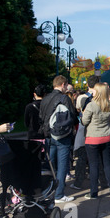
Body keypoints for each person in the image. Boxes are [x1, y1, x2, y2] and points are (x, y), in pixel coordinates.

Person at [39, 75, 78, 203]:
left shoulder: (45, 99)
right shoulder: (64, 98)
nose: (67, 88)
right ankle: (59, 194)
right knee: (62, 165)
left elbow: (41, 117)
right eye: (66, 85)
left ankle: (48, 190)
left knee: (50, 165)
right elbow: (72, 116)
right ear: (62, 85)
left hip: (48, 135)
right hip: (62, 136)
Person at [81, 82, 110, 199]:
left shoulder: (91, 105)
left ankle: (93, 192)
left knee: (93, 165)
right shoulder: (109, 105)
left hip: (93, 138)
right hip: (106, 136)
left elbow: (84, 121)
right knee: (107, 164)